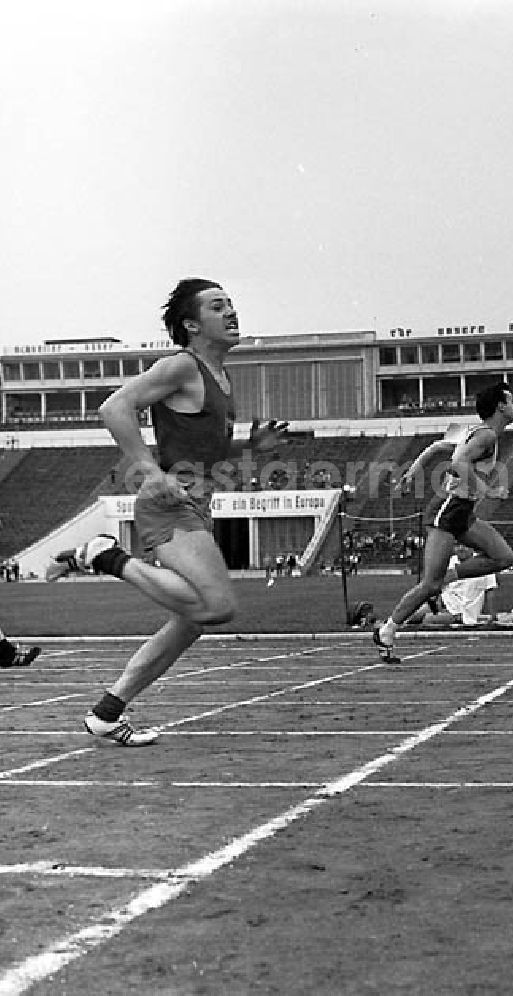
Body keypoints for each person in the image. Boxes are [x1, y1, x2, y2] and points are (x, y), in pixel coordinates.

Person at [45, 278, 287, 746]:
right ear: (192, 324)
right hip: (169, 504)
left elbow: (198, 449)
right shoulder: (182, 365)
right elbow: (115, 407)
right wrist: (148, 471)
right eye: (218, 307)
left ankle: (107, 712)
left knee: (193, 620)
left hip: (196, 503)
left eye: (232, 303)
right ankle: (105, 556)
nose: (231, 312)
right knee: (218, 606)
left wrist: (249, 446)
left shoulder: (218, 376)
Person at [373, 382, 513, 663]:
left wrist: (414, 469)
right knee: (429, 584)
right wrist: (489, 491)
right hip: (447, 511)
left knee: (503, 557)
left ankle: (452, 577)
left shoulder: (479, 432)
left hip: (462, 513)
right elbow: (457, 461)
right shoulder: (486, 435)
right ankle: (388, 629)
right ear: (500, 406)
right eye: (512, 401)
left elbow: (440, 446)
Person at [409, 545, 498, 626]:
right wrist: (436, 603)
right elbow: (440, 585)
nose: (461, 549)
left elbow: (490, 592)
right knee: (411, 616)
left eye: (465, 546)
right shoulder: (449, 562)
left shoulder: (485, 565)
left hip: (460, 613)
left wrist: (493, 616)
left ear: (472, 547)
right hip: (443, 604)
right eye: (457, 545)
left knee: (428, 620)